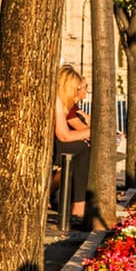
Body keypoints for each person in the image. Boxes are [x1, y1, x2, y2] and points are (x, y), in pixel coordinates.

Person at [53, 64, 92, 227]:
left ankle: (77, 203)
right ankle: (78, 206)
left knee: (83, 148)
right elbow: (64, 135)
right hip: (49, 147)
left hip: (53, 145)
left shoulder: (62, 103)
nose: (80, 93)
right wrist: (93, 132)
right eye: (78, 89)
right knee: (82, 150)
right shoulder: (57, 101)